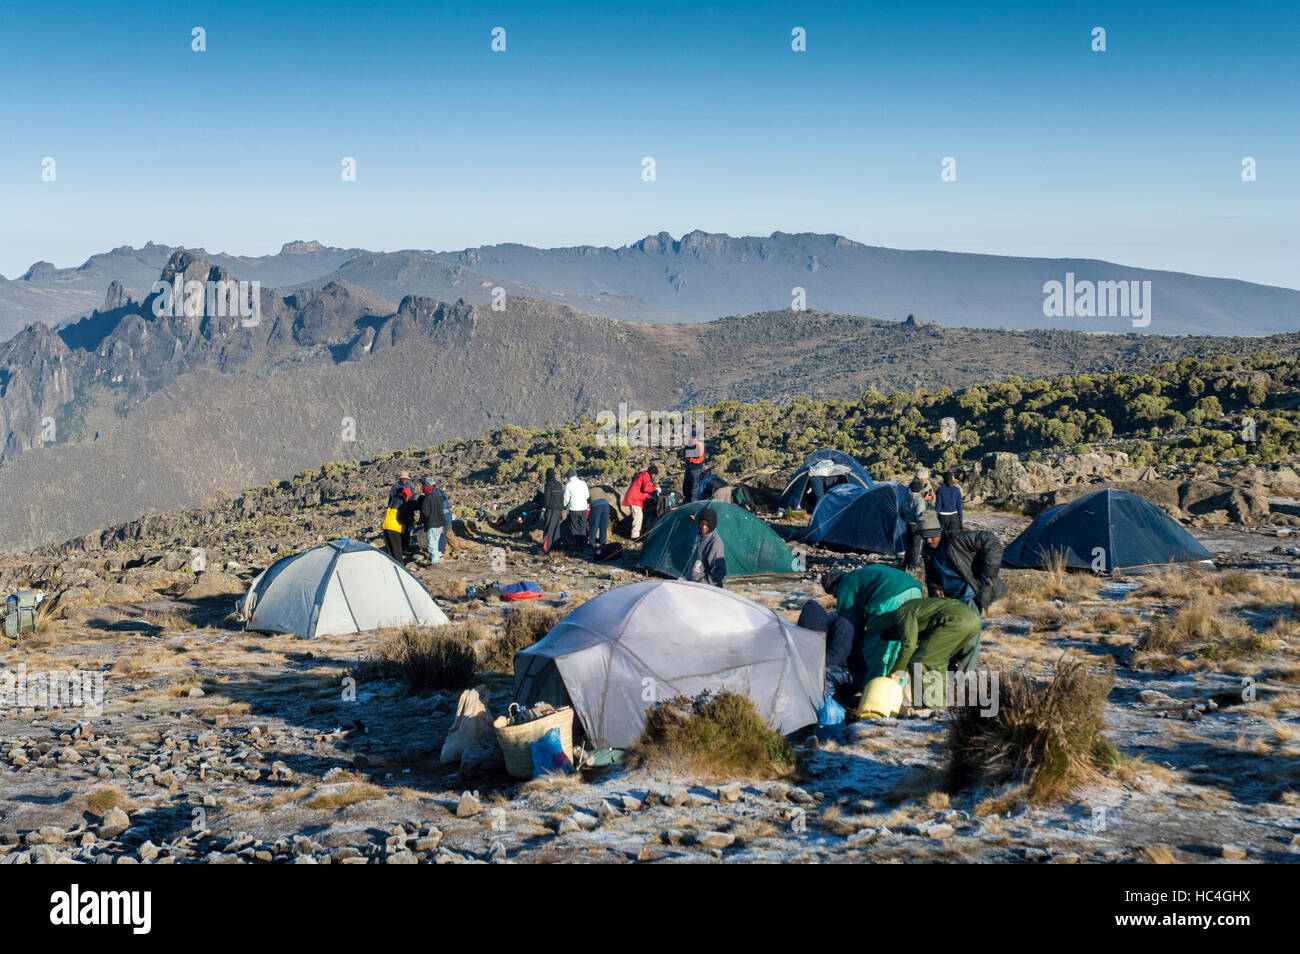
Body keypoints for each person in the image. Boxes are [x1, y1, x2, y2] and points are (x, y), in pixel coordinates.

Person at [868, 597, 983, 711]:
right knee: (937, 662)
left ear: (890, 626)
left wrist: (896, 674)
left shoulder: (902, 613)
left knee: (918, 662)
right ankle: (940, 708)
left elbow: (909, 646)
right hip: (973, 621)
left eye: (894, 635)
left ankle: (925, 709)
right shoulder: (916, 615)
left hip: (956, 620)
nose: (897, 637)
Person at [820, 565, 923, 686]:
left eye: (834, 594)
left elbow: (849, 624)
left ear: (834, 586)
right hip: (913, 590)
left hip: (890, 595)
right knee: (900, 644)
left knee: (877, 646)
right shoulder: (861, 575)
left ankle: (874, 688)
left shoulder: (845, 584)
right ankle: (897, 688)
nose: (836, 597)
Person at [798, 599, 858, 699]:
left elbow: (835, 660)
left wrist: (810, 665)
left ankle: (835, 708)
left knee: (823, 675)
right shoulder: (822, 631)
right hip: (837, 673)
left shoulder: (842, 626)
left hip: (852, 674)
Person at [686, 508, 726, 586]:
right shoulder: (702, 537)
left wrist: (703, 584)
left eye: (707, 525)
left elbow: (719, 571)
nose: (703, 527)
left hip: (705, 589)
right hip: (694, 585)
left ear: (712, 524)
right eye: (701, 524)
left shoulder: (715, 543)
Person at [623, 464, 660, 539]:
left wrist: (649, 496)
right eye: (654, 475)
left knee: (637, 516)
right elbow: (645, 488)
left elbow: (641, 490)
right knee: (638, 516)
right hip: (634, 499)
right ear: (653, 474)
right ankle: (634, 536)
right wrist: (655, 486)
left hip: (634, 498)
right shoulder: (646, 476)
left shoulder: (642, 475)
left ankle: (635, 534)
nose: (654, 476)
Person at [419, 479, 449, 565]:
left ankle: (435, 562)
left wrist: (424, 520)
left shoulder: (427, 498)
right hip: (440, 523)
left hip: (431, 524)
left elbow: (425, 512)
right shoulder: (438, 496)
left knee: (431, 544)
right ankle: (438, 558)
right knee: (436, 541)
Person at [382, 486, 413, 561]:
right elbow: (401, 518)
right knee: (397, 551)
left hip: (386, 527)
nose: (408, 499)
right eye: (408, 497)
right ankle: (399, 567)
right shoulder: (402, 503)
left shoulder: (394, 500)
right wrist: (408, 523)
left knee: (390, 551)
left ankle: (391, 567)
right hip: (394, 529)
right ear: (406, 496)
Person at [903, 479, 928, 570]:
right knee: (916, 546)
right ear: (919, 490)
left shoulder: (906, 497)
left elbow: (901, 510)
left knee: (908, 545)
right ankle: (913, 566)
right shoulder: (919, 500)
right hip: (916, 524)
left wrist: (905, 519)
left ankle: (906, 563)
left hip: (907, 523)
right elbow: (919, 514)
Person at [562, 469, 590, 547]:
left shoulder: (568, 485)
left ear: (569, 476)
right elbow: (587, 495)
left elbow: (566, 499)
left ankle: (578, 545)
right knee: (583, 525)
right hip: (583, 507)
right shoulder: (583, 483)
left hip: (574, 508)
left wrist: (564, 505)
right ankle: (584, 543)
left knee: (575, 526)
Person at [540, 468, 565, 553]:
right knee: (556, 529)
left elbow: (546, 497)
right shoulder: (559, 484)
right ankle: (556, 548)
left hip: (551, 509)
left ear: (547, 475)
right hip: (559, 509)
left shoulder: (548, 484)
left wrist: (543, 509)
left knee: (549, 528)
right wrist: (561, 509)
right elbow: (562, 498)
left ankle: (546, 548)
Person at [680, 433, 706, 503]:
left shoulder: (699, 444)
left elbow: (696, 456)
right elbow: (685, 454)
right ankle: (687, 501)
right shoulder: (689, 444)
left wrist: (688, 458)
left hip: (696, 468)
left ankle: (693, 504)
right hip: (689, 467)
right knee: (686, 487)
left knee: (694, 488)